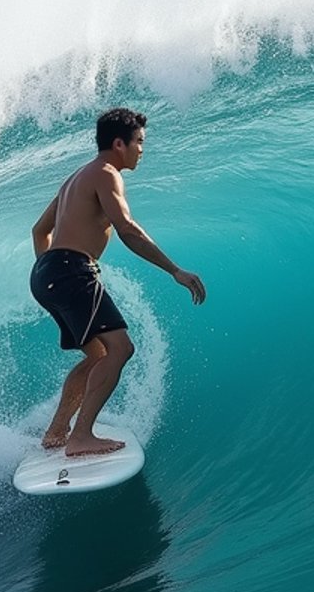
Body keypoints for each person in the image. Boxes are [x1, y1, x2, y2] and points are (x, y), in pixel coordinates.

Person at [30, 107, 206, 457]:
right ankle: (80, 437)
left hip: (45, 272)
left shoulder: (75, 178)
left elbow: (39, 231)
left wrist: (52, 271)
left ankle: (56, 431)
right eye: (139, 142)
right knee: (121, 349)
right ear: (118, 144)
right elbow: (127, 228)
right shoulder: (107, 173)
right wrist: (174, 270)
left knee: (98, 356)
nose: (142, 149)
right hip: (71, 269)